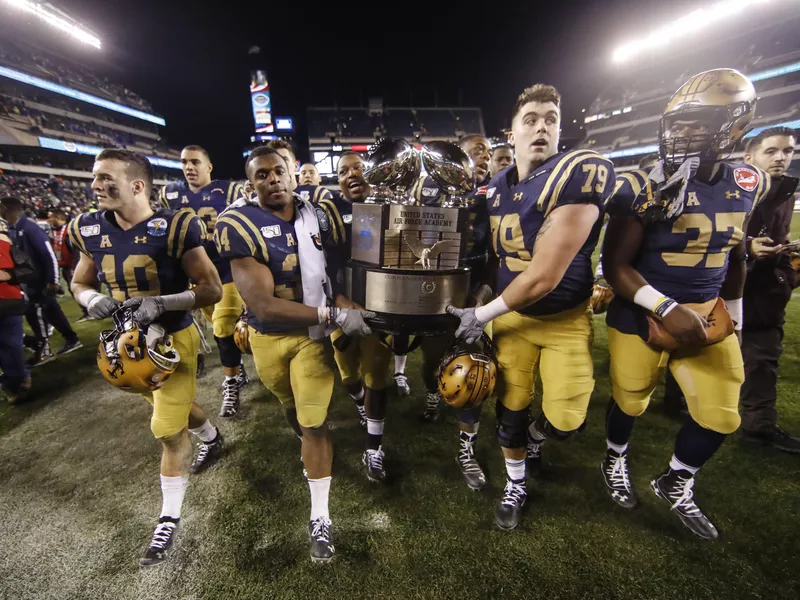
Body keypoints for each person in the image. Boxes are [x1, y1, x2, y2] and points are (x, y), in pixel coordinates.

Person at [600, 69, 770, 540]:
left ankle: (676, 478)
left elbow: (735, 253)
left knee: (721, 414)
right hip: (641, 310)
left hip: (707, 307)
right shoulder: (641, 185)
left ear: (733, 125)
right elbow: (615, 265)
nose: (682, 134)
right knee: (630, 399)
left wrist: (732, 313)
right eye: (677, 124)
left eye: (696, 123)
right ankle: (614, 457)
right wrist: (664, 306)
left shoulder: (749, 180)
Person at [447, 84, 614, 529]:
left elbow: (542, 276)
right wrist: (479, 302)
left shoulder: (577, 173)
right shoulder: (494, 188)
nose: (542, 126)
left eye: (551, 119)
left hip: (564, 319)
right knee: (510, 410)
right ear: (513, 132)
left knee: (567, 419)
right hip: (512, 320)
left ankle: (539, 438)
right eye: (531, 119)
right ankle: (515, 482)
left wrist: (479, 315)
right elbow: (490, 260)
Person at [214, 146, 372, 562]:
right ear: (252, 184)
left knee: (314, 419)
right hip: (268, 336)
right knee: (291, 408)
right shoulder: (238, 222)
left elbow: (333, 268)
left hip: (311, 337)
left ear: (291, 172)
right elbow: (263, 305)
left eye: (279, 171)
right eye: (262, 175)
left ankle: (320, 514)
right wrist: (333, 310)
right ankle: (308, 443)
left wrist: (340, 301)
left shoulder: (320, 213)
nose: (273, 179)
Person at [69, 149, 225, 566]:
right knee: (170, 408)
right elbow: (78, 281)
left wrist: (162, 302)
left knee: (166, 429)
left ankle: (168, 519)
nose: (96, 185)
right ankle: (212, 436)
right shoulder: (87, 227)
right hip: (126, 345)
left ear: (138, 185)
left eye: (105, 177)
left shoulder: (174, 226)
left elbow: (211, 289)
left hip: (172, 342)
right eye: (94, 177)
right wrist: (91, 297)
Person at [409, 134, 494, 490]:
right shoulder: (425, 192)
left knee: (474, 371)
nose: (483, 159)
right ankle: (432, 392)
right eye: (475, 153)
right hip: (435, 293)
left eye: (487, 153)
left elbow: (498, 251)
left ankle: (466, 449)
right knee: (432, 363)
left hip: (476, 291)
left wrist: (485, 294)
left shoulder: (494, 195)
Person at [319, 152, 396, 483]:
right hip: (342, 309)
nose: (351, 174)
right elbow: (319, 263)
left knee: (377, 375)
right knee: (349, 375)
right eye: (343, 171)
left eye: (358, 168)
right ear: (337, 181)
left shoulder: (392, 205)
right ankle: (361, 404)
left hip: (381, 309)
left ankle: (374, 447)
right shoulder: (328, 212)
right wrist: (340, 298)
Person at [158, 145, 248, 418]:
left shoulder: (230, 191)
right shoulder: (169, 194)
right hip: (195, 275)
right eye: (184, 162)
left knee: (222, 327)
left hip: (226, 269)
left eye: (195, 161)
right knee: (216, 328)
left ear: (209, 166)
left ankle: (231, 383)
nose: (189, 167)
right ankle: (236, 365)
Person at [739, 126, 799, 452]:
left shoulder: (784, 189)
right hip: (730, 281)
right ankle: (680, 404)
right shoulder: (734, 188)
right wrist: (748, 248)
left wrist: (786, 256)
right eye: (772, 151)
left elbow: (779, 234)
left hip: (764, 285)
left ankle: (758, 425)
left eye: (787, 151)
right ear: (750, 157)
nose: (781, 157)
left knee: (762, 354)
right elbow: (708, 233)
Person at [0, 197, 81, 366]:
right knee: (51, 312)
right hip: (29, 282)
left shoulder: (29, 227)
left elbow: (48, 254)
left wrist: (53, 281)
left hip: (39, 283)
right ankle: (71, 339)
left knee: (35, 315)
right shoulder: (14, 228)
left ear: (6, 208)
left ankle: (44, 351)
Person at [0, 213, 30, 403]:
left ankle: (13, 383)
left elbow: (27, 270)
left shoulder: (5, 245)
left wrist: (8, 275)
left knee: (11, 346)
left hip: (7, 303)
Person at [48, 208, 89, 322]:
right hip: (64, 265)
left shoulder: (70, 230)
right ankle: (88, 311)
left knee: (77, 289)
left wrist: (75, 265)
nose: (49, 220)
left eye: (52, 217)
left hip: (72, 265)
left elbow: (78, 250)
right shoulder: (54, 231)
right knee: (73, 290)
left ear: (60, 218)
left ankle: (89, 311)